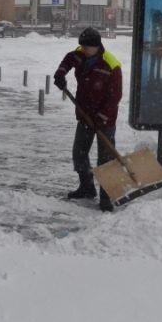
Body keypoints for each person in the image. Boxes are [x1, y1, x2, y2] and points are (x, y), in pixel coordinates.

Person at [53, 27, 123, 211]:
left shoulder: (111, 65)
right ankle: (87, 187)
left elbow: (115, 96)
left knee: (105, 159)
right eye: (81, 46)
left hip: (104, 120)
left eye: (86, 47)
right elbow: (69, 59)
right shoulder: (80, 54)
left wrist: (101, 117)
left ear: (96, 46)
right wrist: (60, 73)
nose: (83, 50)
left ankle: (106, 197)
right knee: (79, 153)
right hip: (84, 114)